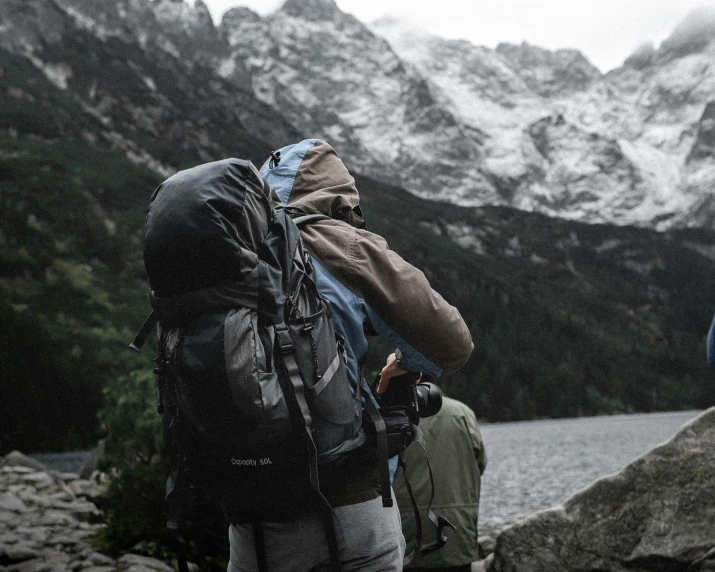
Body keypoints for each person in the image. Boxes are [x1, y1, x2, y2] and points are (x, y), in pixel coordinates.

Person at [226, 139, 474, 572]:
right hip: (348, 499)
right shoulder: (337, 241)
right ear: (339, 200)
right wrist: (404, 366)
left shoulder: (228, 250)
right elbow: (452, 343)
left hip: (250, 513)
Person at [393, 394, 486, 572]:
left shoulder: (391, 414)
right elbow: (480, 463)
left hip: (407, 535)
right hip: (456, 533)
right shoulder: (461, 413)